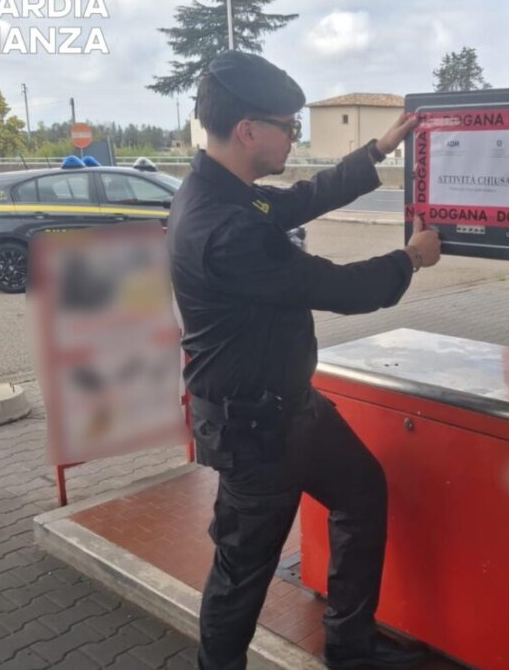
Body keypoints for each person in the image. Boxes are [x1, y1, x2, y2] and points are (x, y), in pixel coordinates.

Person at [167, 51, 440, 670]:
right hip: (252, 433)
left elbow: (296, 201)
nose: (295, 135)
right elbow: (339, 289)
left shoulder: (232, 195)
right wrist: (413, 258)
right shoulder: (222, 227)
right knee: (242, 575)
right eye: (289, 125)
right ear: (248, 131)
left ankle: (349, 648)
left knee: (362, 492)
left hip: (292, 411)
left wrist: (374, 151)